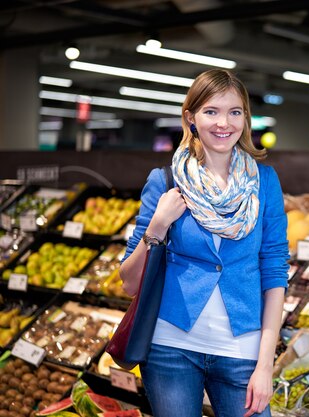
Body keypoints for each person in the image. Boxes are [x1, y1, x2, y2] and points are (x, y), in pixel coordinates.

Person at [119, 69, 289, 417]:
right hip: (170, 347)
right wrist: (158, 224)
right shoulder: (164, 181)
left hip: (242, 348)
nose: (223, 122)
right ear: (191, 118)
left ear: (245, 118)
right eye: (211, 111)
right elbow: (128, 282)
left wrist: (265, 364)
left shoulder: (264, 182)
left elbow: (274, 271)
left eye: (234, 112)